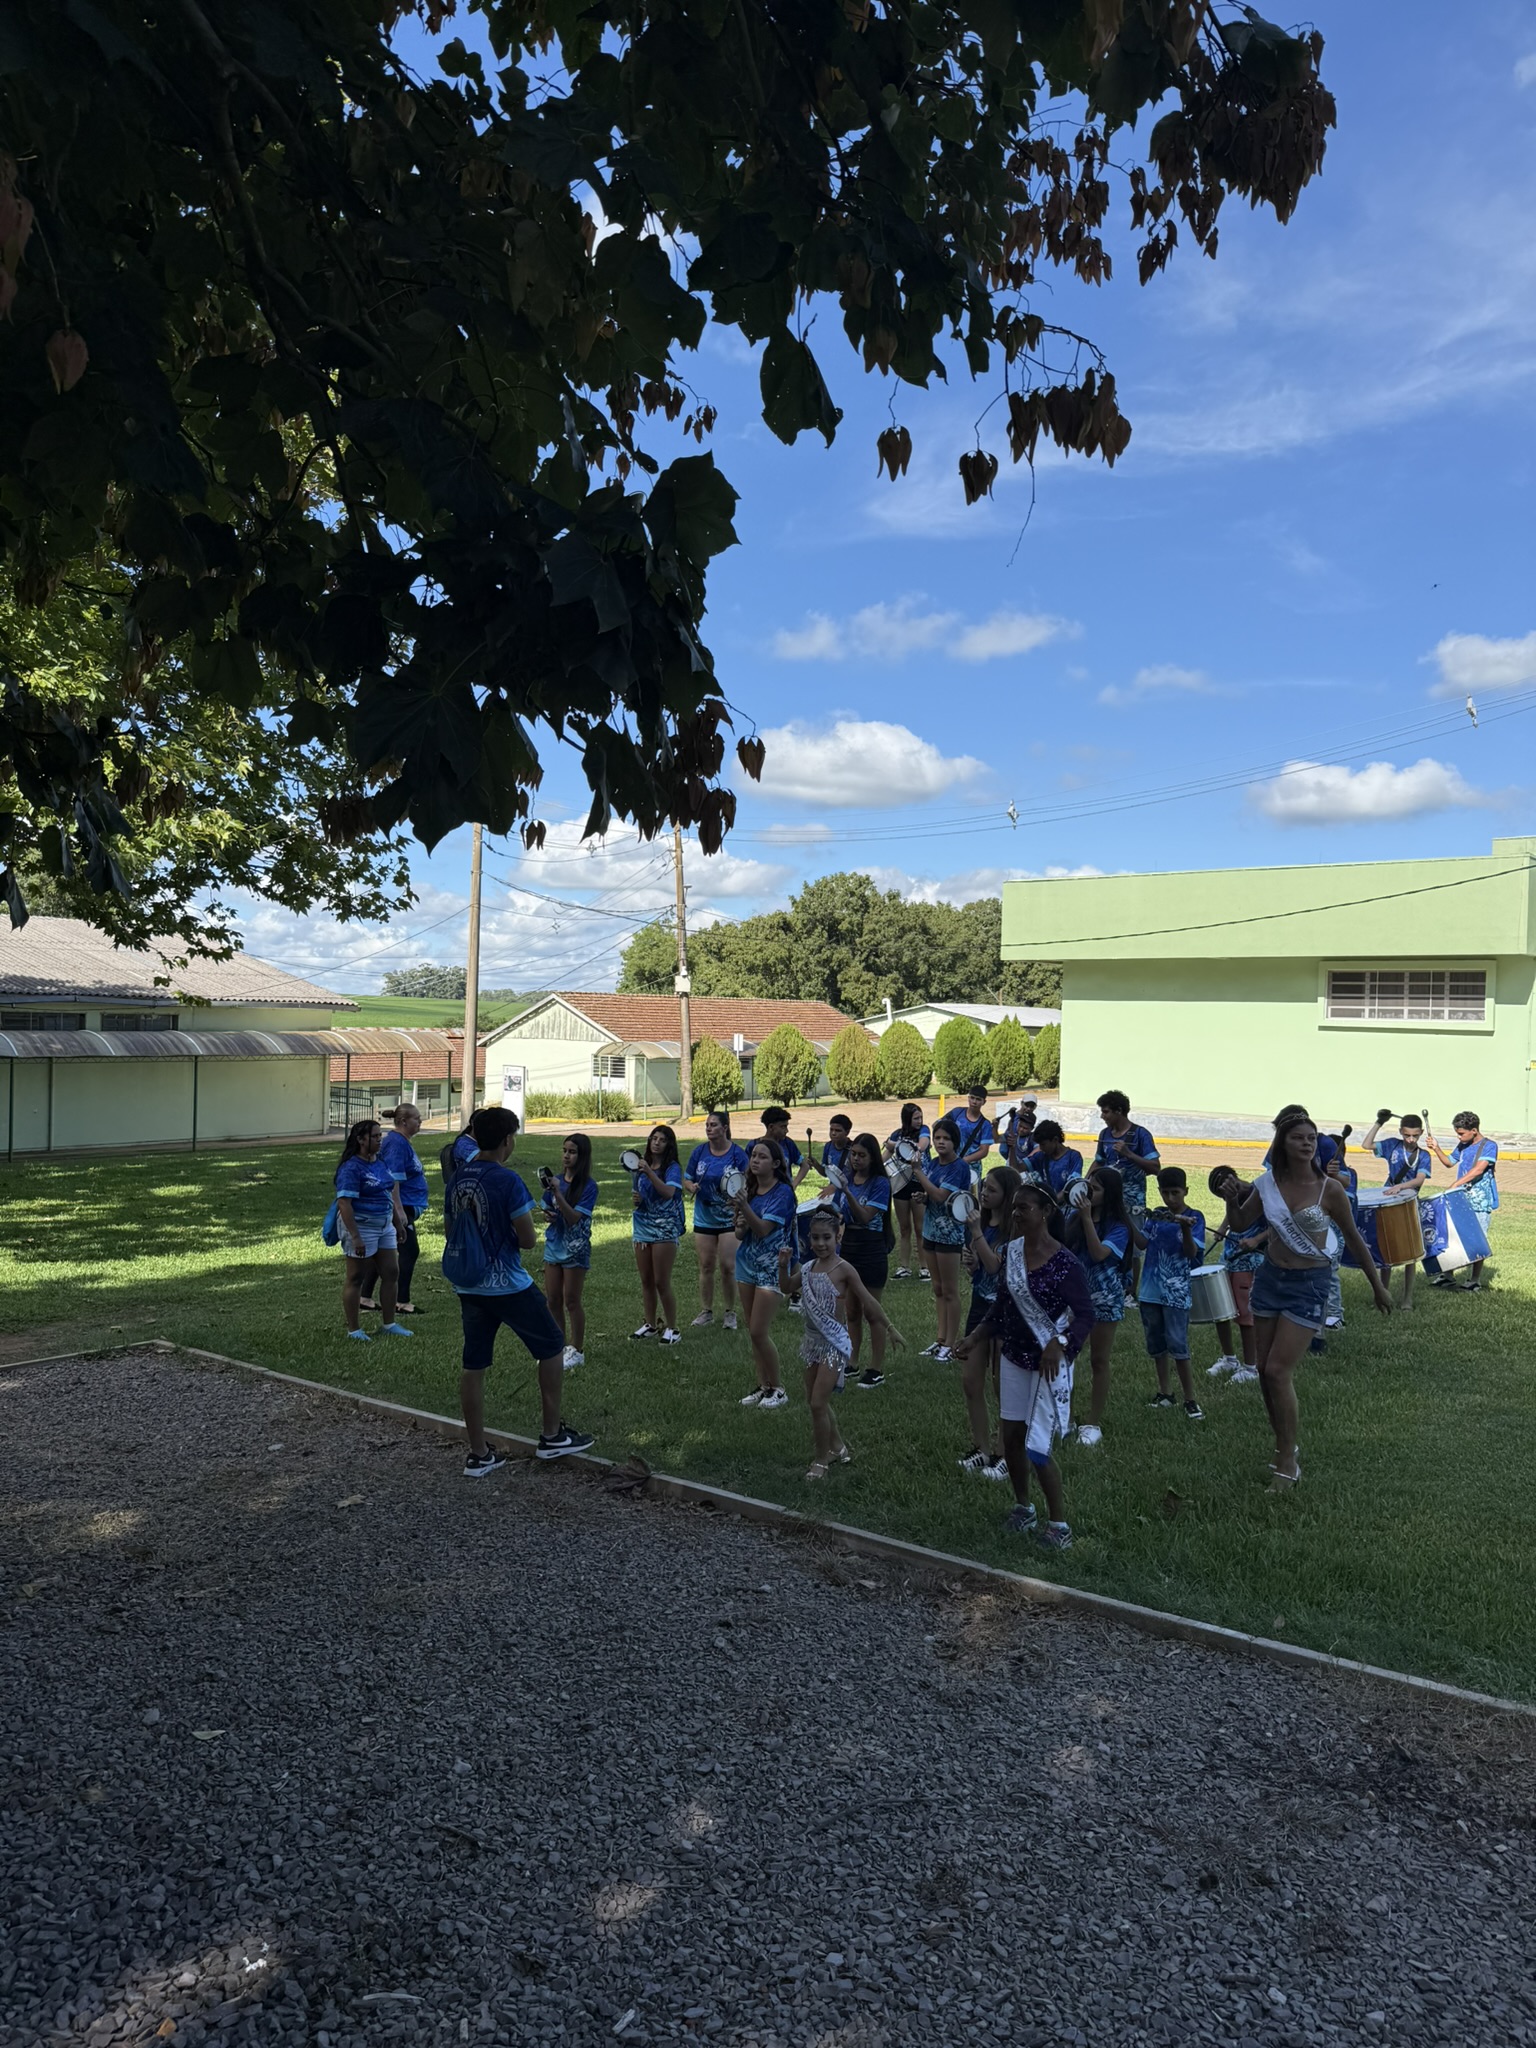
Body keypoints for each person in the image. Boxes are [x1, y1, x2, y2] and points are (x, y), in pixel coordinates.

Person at [1221, 1105, 1389, 1490]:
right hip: (1270, 1280)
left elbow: (1354, 1238)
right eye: (1298, 1138)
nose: (1307, 1144)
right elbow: (1242, 1222)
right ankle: (1284, 1447)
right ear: (1282, 1143)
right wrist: (1231, 1199)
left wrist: (1377, 1286)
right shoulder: (1267, 1184)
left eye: (1312, 1138)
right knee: (1264, 1372)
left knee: (1278, 1371)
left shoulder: (1331, 1190)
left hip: (1309, 1284)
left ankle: (1287, 1461)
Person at [440, 1105, 595, 1475]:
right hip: (507, 1284)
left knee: (474, 1364)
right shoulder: (507, 1180)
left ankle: (479, 1453)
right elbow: (527, 1239)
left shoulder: (458, 1178)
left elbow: (450, 1230)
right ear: (507, 1140)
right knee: (552, 1345)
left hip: (469, 1284)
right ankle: (552, 1435)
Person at [956, 1180, 1093, 1551]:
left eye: (1024, 1208)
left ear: (1045, 1212)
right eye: (1014, 1207)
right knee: (1013, 1438)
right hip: (1014, 1355)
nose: (1016, 1214)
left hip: (1047, 1364)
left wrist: (1060, 1344)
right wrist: (975, 1337)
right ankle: (1023, 1507)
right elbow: (1002, 1306)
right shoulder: (1012, 1252)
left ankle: (1059, 1525)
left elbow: (1085, 1315)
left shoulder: (1065, 1263)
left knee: (1037, 1447)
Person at [799, 1208, 906, 1481]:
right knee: (815, 1401)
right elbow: (787, 1285)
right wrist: (782, 1264)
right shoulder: (807, 1268)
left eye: (826, 1237)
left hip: (833, 1344)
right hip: (811, 1342)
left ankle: (821, 1460)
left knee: (818, 1403)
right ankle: (838, 1447)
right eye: (815, 1238)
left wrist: (890, 1328)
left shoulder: (844, 1269)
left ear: (838, 1237)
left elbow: (869, 1300)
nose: (821, 1243)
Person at [1058, 1162, 1134, 1445]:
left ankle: (1092, 1422)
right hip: (1075, 1299)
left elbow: (1099, 1253)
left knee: (1099, 1360)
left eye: (1096, 1189)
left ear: (1110, 1194)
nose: (1089, 1192)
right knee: (1067, 1356)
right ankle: (1064, 1417)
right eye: (1088, 1186)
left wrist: (1087, 1218)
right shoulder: (1074, 1218)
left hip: (1105, 1299)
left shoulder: (1119, 1227)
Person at [956, 1163, 1020, 1479]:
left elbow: (996, 1266)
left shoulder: (1015, 1230)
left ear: (1007, 1196)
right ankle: (981, 1449)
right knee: (971, 1381)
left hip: (1005, 1310)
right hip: (980, 1306)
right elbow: (982, 1269)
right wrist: (970, 1263)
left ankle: (1004, 1453)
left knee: (1001, 1386)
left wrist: (977, 1236)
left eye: (992, 1190)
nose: (984, 1193)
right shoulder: (981, 1222)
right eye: (984, 1187)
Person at [729, 1137, 799, 1408]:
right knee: (752, 1331)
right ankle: (763, 1386)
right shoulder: (750, 1189)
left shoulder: (783, 1193)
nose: (755, 1160)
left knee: (759, 1331)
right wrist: (739, 1220)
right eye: (753, 1156)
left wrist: (745, 1207)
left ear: (776, 1163)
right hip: (746, 1264)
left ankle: (778, 1388)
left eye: (762, 1156)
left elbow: (763, 1229)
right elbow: (740, 1233)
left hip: (772, 1268)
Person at [334, 1119, 415, 1341]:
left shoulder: (380, 1162)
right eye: (375, 1136)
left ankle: (389, 1324)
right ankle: (354, 1330)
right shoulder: (351, 1167)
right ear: (361, 1140)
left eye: (380, 1135)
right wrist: (356, 1237)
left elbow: (387, 1194)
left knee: (391, 1272)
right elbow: (344, 1203)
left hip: (384, 1224)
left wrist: (397, 1223)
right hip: (362, 1225)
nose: (380, 1140)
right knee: (356, 1277)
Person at [1138, 1166, 1206, 1420]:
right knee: (1157, 1344)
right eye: (1165, 1193)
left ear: (1185, 1191)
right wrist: (1127, 1218)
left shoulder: (1195, 1217)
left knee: (1178, 1344)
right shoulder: (1157, 1215)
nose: (1170, 1198)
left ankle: (1190, 1399)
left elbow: (1191, 1253)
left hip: (1176, 1293)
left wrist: (1185, 1228)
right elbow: (1142, 1243)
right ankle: (1165, 1393)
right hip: (1150, 1291)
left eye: (1175, 1192)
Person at [833, 1131, 895, 1390]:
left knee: (872, 1311)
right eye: (853, 1154)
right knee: (852, 1311)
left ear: (873, 1158)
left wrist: (847, 1192)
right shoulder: (847, 1179)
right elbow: (840, 1212)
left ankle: (876, 1368)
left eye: (861, 1155)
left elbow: (865, 1216)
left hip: (871, 1249)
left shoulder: (880, 1183)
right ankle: (853, 1361)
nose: (856, 1159)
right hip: (849, 1248)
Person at [910, 1117, 972, 1360]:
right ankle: (940, 1339)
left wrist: (918, 1172)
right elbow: (931, 1195)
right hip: (930, 1231)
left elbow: (940, 1195)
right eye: (937, 1138)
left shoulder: (959, 1167)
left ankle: (950, 1343)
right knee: (937, 1288)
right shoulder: (935, 1164)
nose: (940, 1142)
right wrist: (922, 1197)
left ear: (955, 1141)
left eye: (946, 1138)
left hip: (949, 1235)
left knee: (949, 1290)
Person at [358, 1103, 430, 1316]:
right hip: (401, 1206)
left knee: (382, 1251)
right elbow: (393, 1180)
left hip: (406, 1205)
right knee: (409, 1250)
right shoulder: (397, 1144)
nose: (420, 1121)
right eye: (417, 1118)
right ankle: (401, 1301)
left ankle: (365, 1297)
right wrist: (398, 1211)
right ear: (404, 1121)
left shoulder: (401, 1141)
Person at [685, 1111, 748, 1329]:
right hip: (704, 1217)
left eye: (713, 1125)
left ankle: (730, 1312)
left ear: (725, 1127)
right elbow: (687, 1178)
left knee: (728, 1266)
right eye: (707, 1125)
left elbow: (748, 1181)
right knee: (706, 1265)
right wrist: (691, 1187)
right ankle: (706, 1311)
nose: (709, 1128)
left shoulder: (737, 1154)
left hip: (729, 1218)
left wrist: (740, 1199)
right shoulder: (699, 1152)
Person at [540, 1132, 598, 1369]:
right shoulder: (555, 1180)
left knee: (572, 1300)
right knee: (553, 1299)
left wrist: (558, 1194)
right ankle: (559, 1346)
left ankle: (577, 1349)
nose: (566, 1156)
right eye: (564, 1151)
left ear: (582, 1156)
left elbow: (574, 1218)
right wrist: (548, 1214)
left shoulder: (589, 1186)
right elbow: (546, 1207)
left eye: (572, 1152)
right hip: (554, 1245)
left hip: (575, 1249)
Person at [1094, 1091, 1160, 1290]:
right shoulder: (1104, 1135)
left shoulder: (1140, 1134)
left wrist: (1128, 1153)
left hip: (1132, 1203)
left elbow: (1155, 1167)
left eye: (1106, 1112)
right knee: (1106, 1240)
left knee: (1133, 1247)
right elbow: (1098, 1162)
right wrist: (1086, 1182)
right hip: (1106, 1201)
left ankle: (1131, 1292)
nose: (1102, 1116)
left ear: (1119, 1111)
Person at [1205, 1165, 1265, 1382]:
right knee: (1220, 1310)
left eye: (1226, 1194)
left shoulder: (1260, 1193)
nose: (1226, 1199)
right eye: (1222, 1196)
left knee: (1246, 1317)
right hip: (1229, 1259)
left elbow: (1280, 1224)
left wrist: (1257, 1239)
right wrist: (1223, 1226)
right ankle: (1229, 1358)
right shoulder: (1233, 1195)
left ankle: (1251, 1367)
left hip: (1251, 1261)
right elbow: (1234, 1210)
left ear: (1234, 1179)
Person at [1428, 1110, 1498, 1291]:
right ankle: (1448, 1275)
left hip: (1480, 1201)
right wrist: (1436, 1148)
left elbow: (1478, 1170)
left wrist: (1455, 1184)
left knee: (1477, 1239)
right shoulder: (1463, 1145)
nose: (1459, 1137)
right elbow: (1449, 1162)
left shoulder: (1489, 1146)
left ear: (1474, 1130)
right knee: (1452, 1236)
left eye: (1461, 1133)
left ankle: (1475, 1280)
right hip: (1461, 1198)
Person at [631, 1123, 685, 1341]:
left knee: (662, 1281)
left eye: (662, 1140)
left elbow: (668, 1192)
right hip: (642, 1227)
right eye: (654, 1138)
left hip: (665, 1228)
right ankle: (650, 1324)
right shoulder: (641, 1167)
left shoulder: (672, 1168)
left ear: (669, 1144)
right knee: (646, 1280)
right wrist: (638, 1200)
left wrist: (650, 1173)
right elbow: (641, 1195)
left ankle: (672, 1328)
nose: (657, 1143)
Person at [884, 1101, 931, 1280]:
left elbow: (922, 1146)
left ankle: (924, 1267)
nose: (919, 1121)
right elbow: (884, 1157)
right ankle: (904, 1266)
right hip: (900, 1184)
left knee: (920, 1228)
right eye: (916, 1118)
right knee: (904, 1228)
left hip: (919, 1182)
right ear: (907, 1119)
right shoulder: (897, 1134)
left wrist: (894, 1145)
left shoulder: (924, 1131)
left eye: (920, 1117)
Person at [1362, 1109, 1433, 1193]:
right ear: (1400, 1131)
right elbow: (1366, 1145)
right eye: (1407, 1135)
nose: (1411, 1139)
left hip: (1409, 1195)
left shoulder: (1424, 1155)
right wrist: (1379, 1122)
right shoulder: (1392, 1144)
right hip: (1388, 1191)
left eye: (1415, 1135)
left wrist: (1400, 1187)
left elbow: (1419, 1180)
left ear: (1421, 1132)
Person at [1026, 1120, 1084, 1199]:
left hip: (1063, 1205)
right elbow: (1018, 1167)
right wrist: (1012, 1147)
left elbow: (1071, 1187)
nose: (1041, 1148)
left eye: (1043, 1144)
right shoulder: (1041, 1156)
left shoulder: (1073, 1157)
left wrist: (1053, 1202)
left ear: (1055, 1140)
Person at [950, 1086, 995, 1174]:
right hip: (951, 1162)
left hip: (972, 1168)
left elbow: (984, 1151)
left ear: (984, 1102)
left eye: (978, 1099)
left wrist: (964, 1160)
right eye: (972, 1098)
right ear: (968, 1098)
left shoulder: (985, 1124)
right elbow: (938, 1125)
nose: (974, 1102)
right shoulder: (957, 1112)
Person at [818, 1113, 854, 1182]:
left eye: (838, 1130)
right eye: (831, 1130)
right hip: (833, 1186)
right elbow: (825, 1173)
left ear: (847, 1132)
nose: (833, 1133)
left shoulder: (853, 1149)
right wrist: (815, 1164)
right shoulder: (828, 1146)